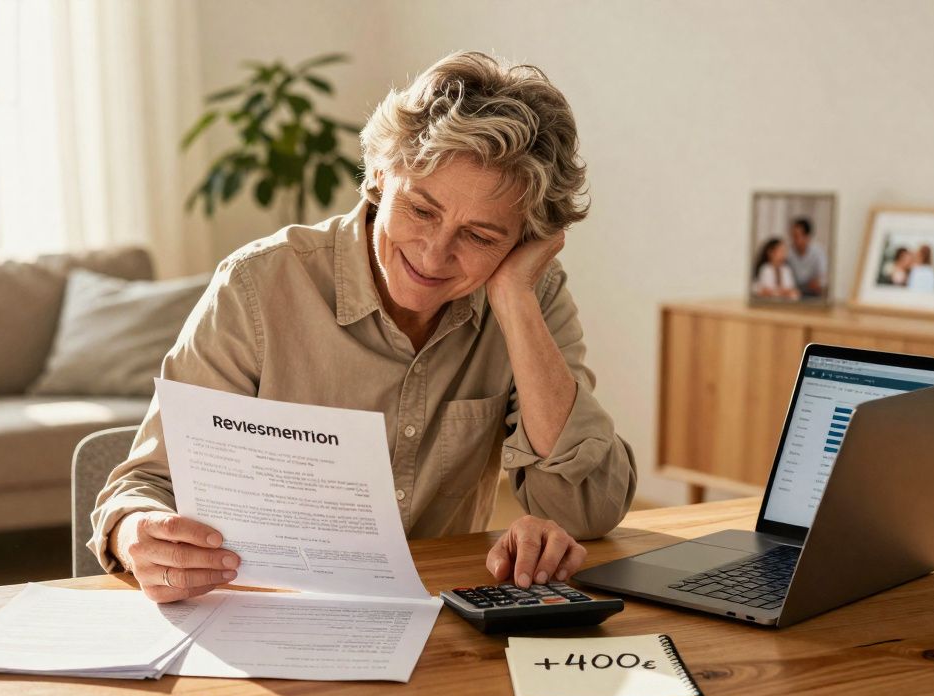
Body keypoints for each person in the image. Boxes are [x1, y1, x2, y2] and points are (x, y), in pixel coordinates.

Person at [89, 51, 637, 603]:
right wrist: (139, 532)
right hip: (265, 611)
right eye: (422, 210)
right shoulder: (257, 286)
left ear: (523, 241)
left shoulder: (528, 293)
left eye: (481, 236)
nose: (434, 253)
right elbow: (143, 487)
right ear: (379, 174)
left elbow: (587, 510)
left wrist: (516, 302)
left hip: (436, 616)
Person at [785, 217, 829, 298]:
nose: (793, 239)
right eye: (792, 236)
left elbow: (824, 277)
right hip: (794, 294)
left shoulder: (818, 252)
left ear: (807, 237)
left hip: (814, 294)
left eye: (796, 236)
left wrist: (818, 283)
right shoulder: (788, 252)